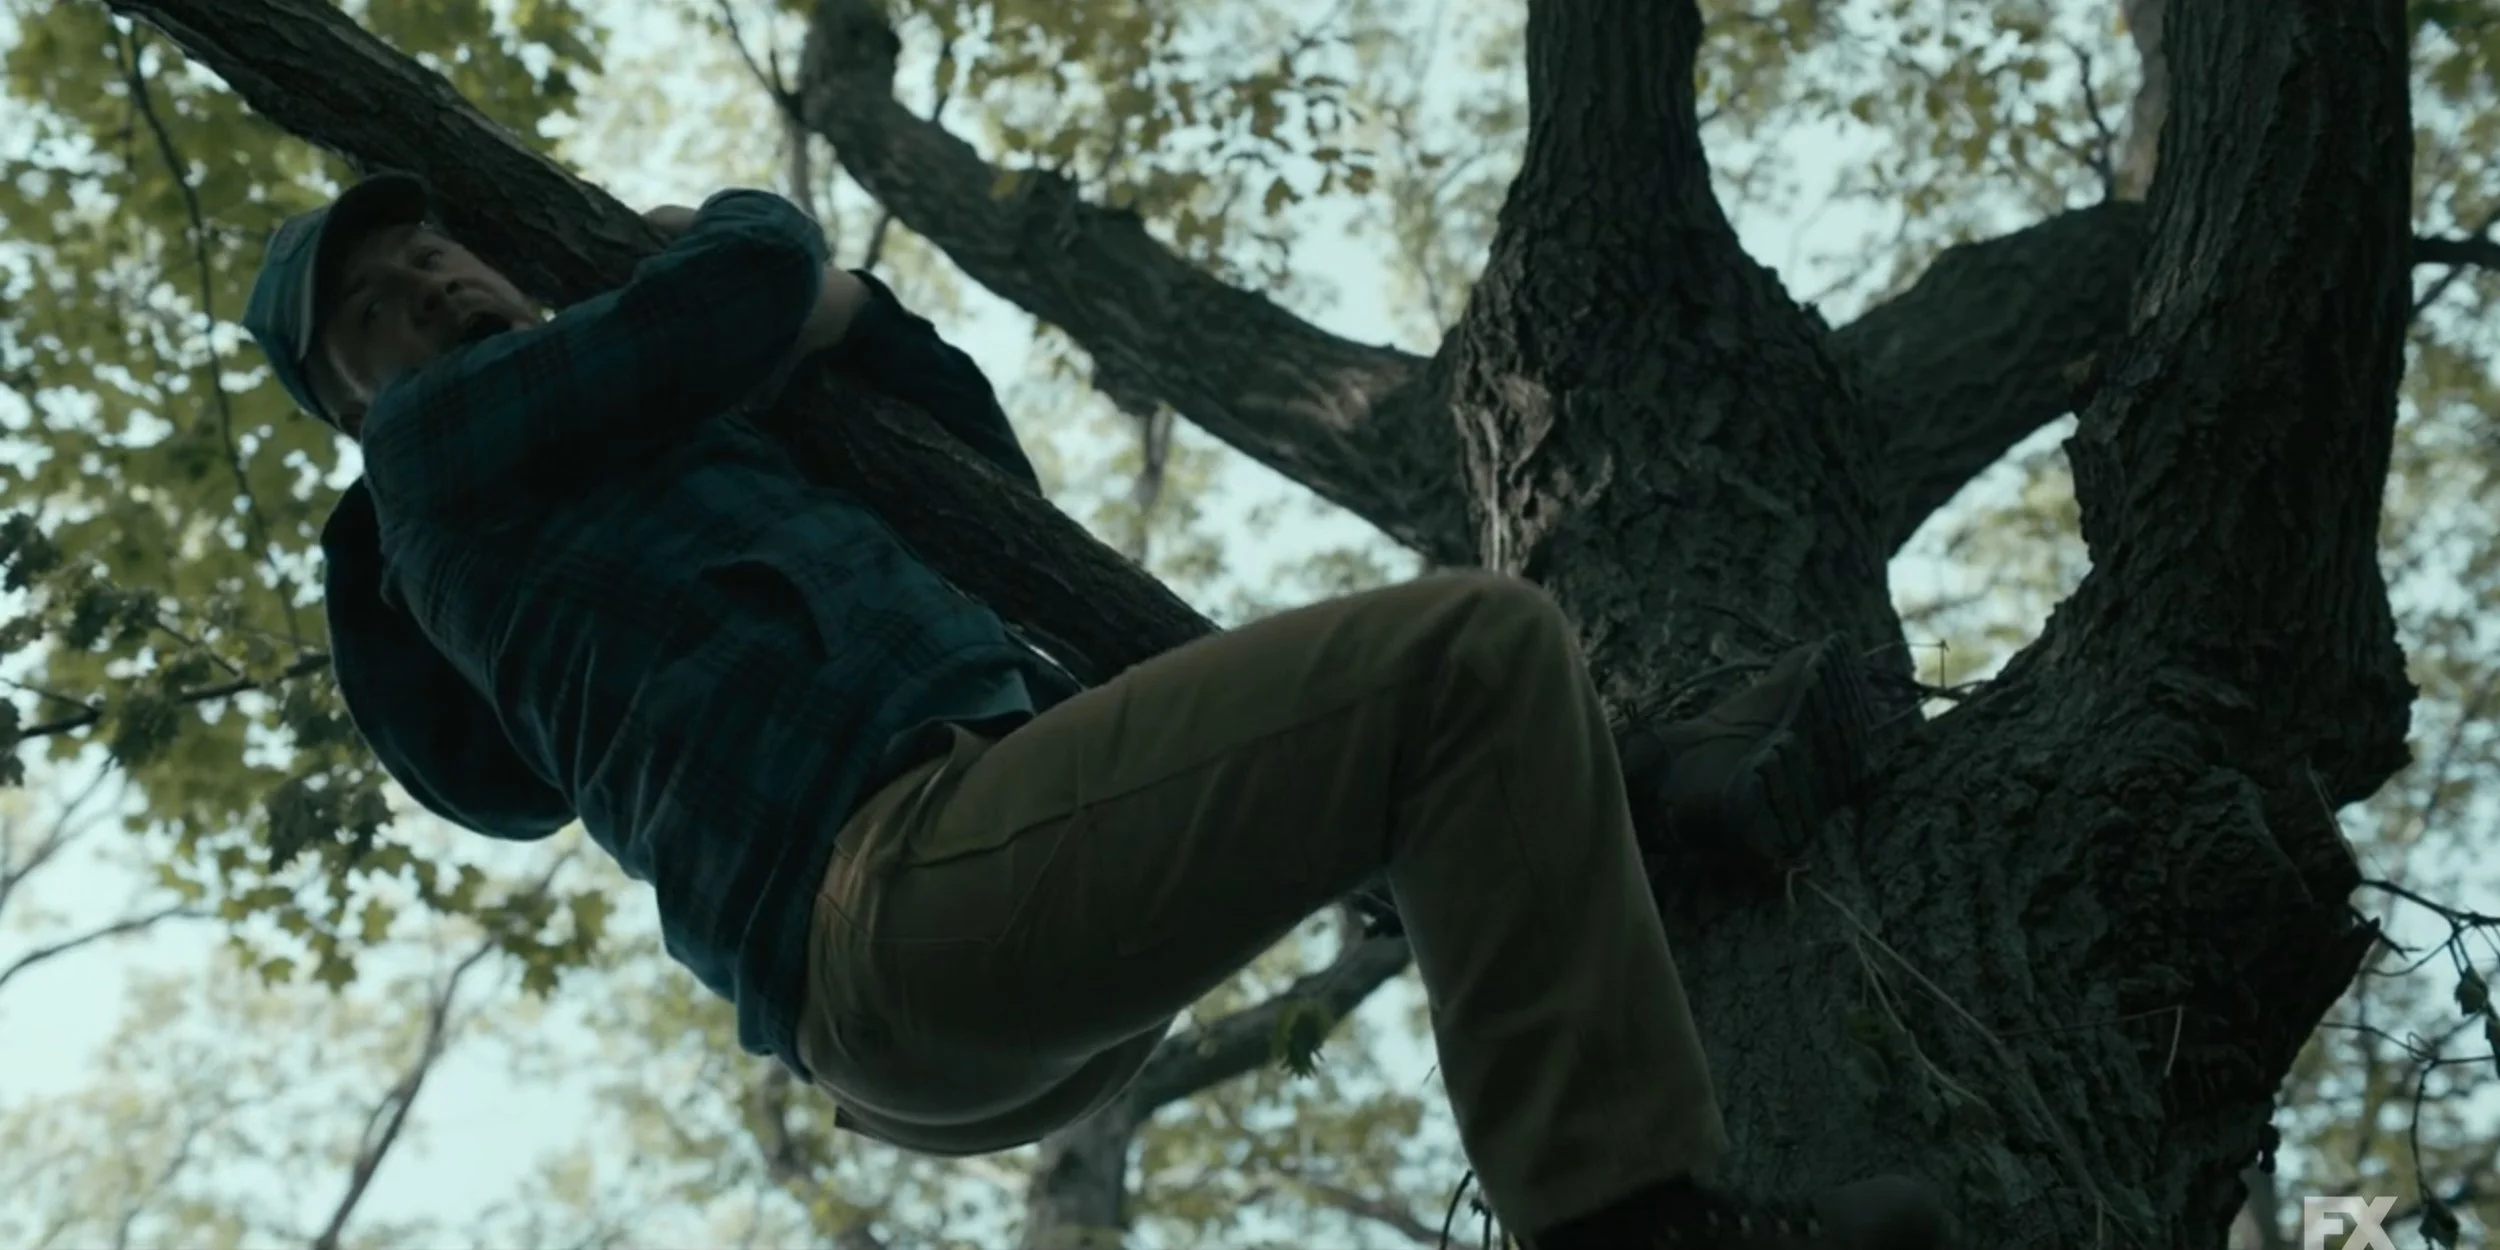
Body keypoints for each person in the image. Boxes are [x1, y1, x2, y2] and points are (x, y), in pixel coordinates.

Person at [244, 172, 1955, 1250]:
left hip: (961, 972)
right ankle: (1631, 1221)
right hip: (893, 899)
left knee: (1443, 739)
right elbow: (746, 281)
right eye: (373, 311)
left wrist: (855, 321)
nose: (429, 285)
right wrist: (758, 247)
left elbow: (980, 491)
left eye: (433, 247)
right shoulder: (428, 467)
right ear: (349, 401)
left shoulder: (670, 460)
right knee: (1470, 655)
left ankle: (1616, 812)